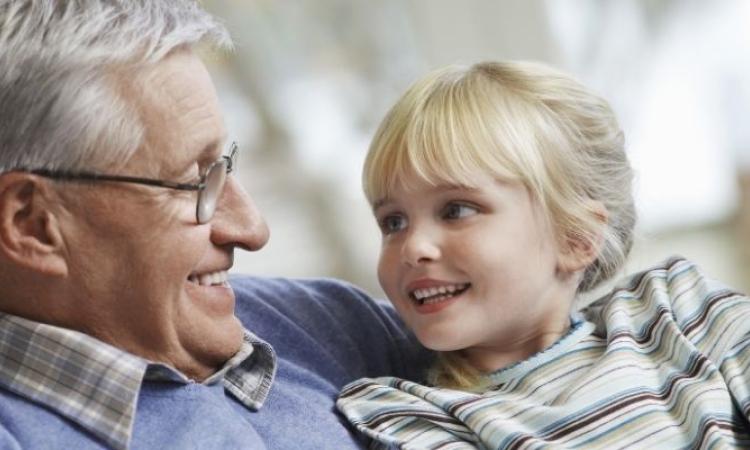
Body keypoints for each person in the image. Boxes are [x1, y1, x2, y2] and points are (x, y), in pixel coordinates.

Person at [0, 1, 429, 449]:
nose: (251, 228)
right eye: (194, 182)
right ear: (32, 225)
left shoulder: (333, 326)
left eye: (221, 168)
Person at [336, 60, 750, 448]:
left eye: (456, 210)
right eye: (393, 222)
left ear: (576, 238)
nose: (413, 247)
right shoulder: (406, 416)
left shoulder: (675, 310)